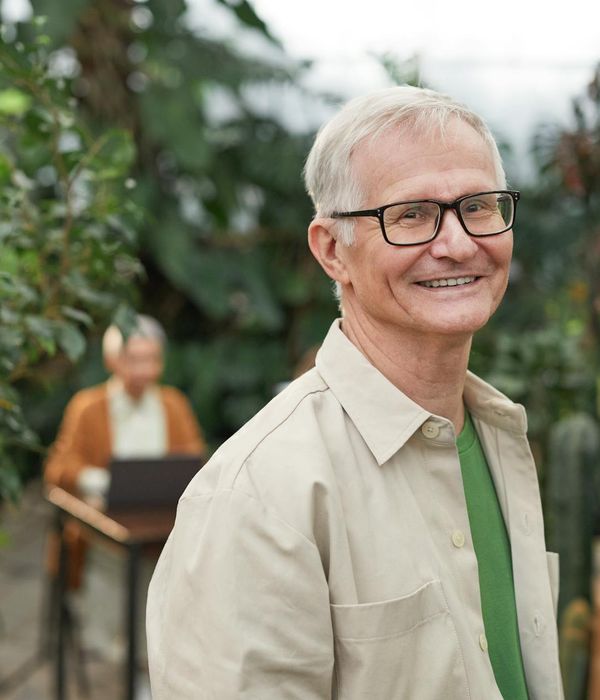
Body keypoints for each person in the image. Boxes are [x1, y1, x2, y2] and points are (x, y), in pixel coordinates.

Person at [146, 87, 563, 699]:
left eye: (478, 205)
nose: (456, 243)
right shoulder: (261, 495)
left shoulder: (498, 439)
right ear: (331, 250)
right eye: (411, 214)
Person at [45, 314, 206, 587]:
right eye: (133, 359)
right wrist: (100, 481)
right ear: (112, 361)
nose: (144, 370)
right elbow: (58, 468)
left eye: (152, 359)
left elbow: (196, 461)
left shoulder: (174, 405)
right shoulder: (87, 407)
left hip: (163, 539)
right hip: (105, 540)